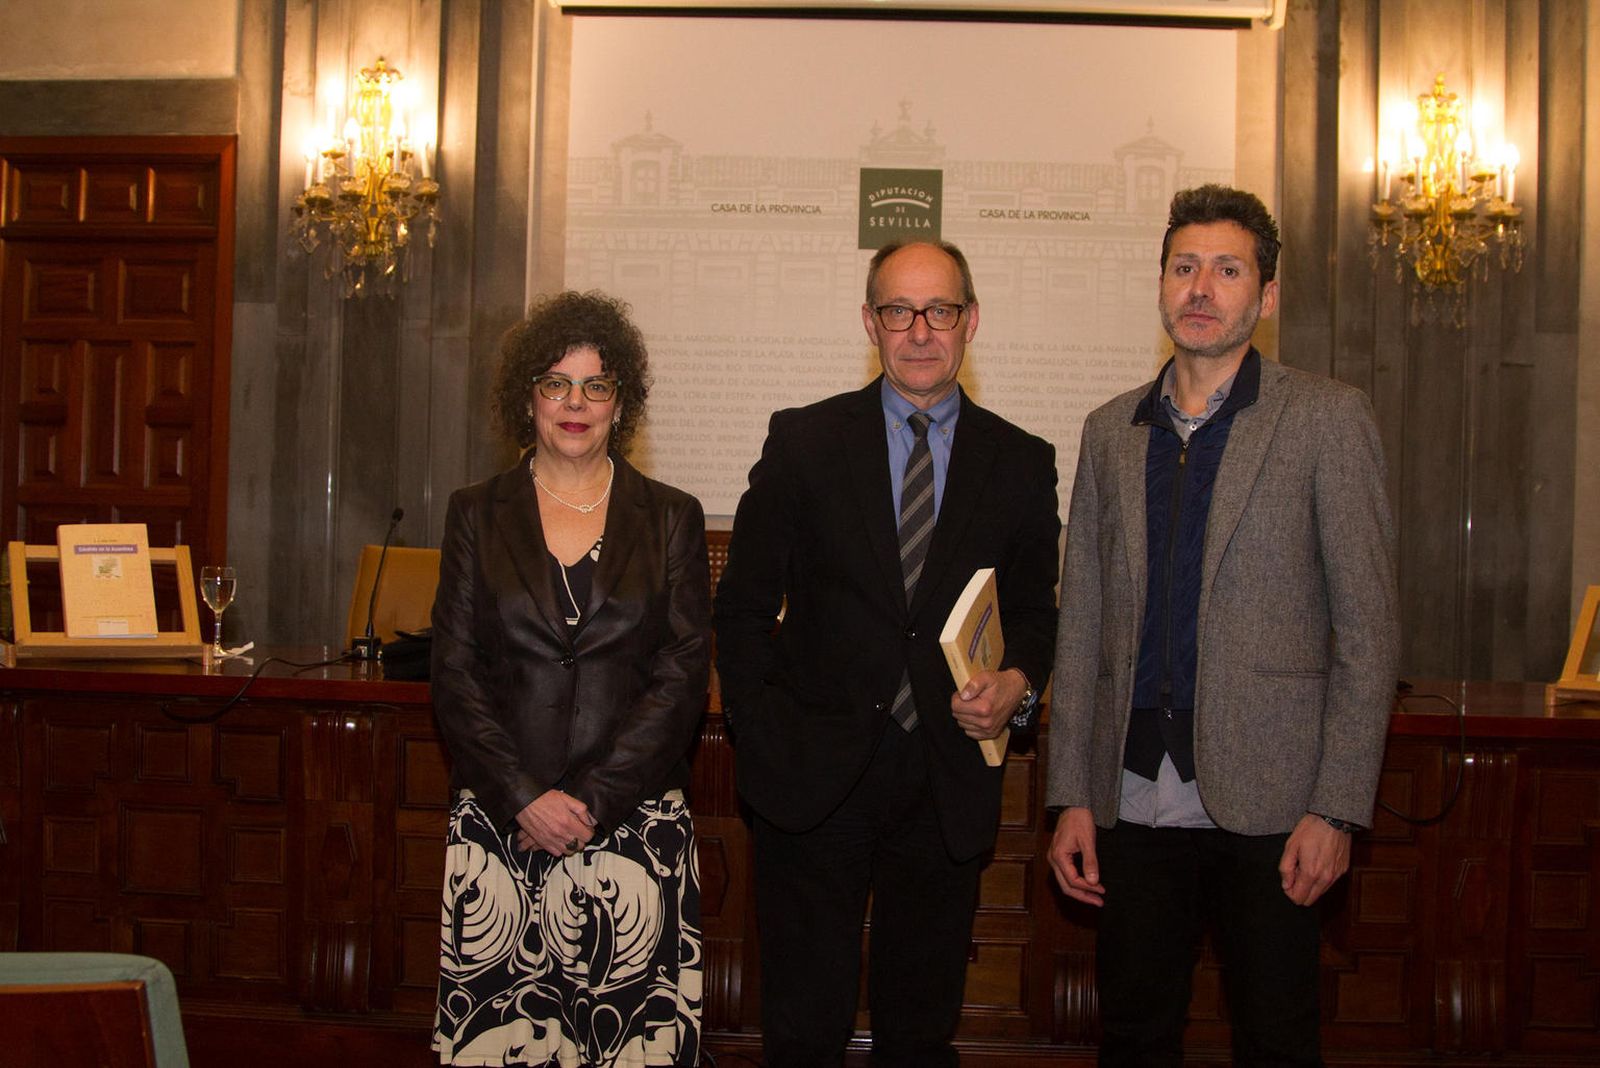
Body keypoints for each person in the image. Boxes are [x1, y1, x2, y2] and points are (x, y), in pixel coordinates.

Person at [1046, 184, 1400, 1066]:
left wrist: (1337, 808)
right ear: (1162, 283)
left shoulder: (1325, 418)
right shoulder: (1109, 431)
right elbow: (1081, 623)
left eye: (1227, 270)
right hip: (1132, 797)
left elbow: (1368, 633)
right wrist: (1071, 796)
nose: (1200, 288)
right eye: (1184, 267)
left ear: (1266, 297)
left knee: (1277, 1040)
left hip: (1276, 801)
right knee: (1132, 1035)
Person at [714, 240, 1061, 1068]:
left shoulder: (1021, 462)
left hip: (943, 781)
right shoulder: (803, 442)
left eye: (939, 311)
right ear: (869, 322)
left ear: (970, 321)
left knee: (918, 1029)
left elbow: (1037, 619)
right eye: (898, 312)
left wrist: (1017, 685)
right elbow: (741, 607)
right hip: (812, 780)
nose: (919, 332)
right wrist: (763, 737)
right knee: (803, 1028)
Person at [430, 290, 711, 1067]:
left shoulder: (669, 517)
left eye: (597, 385)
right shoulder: (475, 514)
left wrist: (592, 802)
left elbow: (682, 675)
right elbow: (453, 670)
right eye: (556, 383)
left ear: (623, 401)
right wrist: (524, 797)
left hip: (634, 830)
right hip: (502, 829)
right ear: (529, 398)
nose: (576, 403)